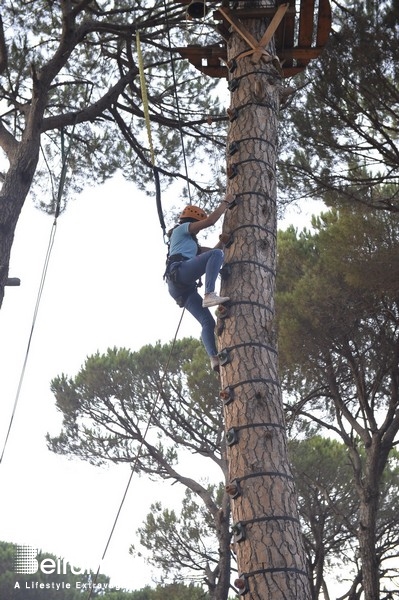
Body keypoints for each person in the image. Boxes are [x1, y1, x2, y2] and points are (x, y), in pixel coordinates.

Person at [164, 198, 231, 371]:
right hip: (179, 273)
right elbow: (210, 222)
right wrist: (225, 204)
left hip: (181, 286)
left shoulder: (191, 245)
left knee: (207, 322)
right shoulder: (181, 229)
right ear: (193, 221)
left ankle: (213, 358)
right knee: (216, 255)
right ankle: (209, 294)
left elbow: (214, 253)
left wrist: (224, 241)